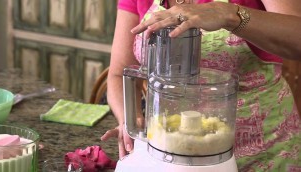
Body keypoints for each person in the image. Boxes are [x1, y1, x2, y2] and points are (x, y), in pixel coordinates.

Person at [101, 0, 301, 171]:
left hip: (261, 156)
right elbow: (119, 72)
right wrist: (130, 118)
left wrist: (230, 15)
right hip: (171, 157)